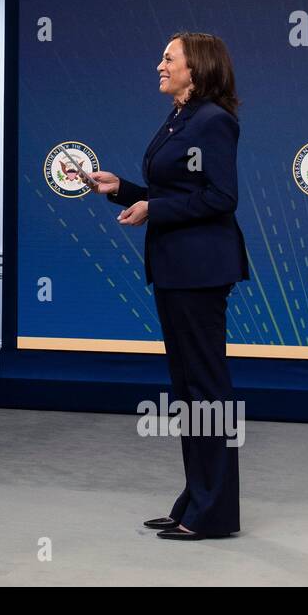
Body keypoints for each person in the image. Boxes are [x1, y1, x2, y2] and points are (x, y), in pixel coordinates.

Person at [88, 31, 249, 542]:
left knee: (207, 391)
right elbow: (175, 190)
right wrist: (124, 191)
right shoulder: (182, 117)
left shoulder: (214, 121)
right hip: (177, 269)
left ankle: (214, 513)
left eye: (168, 58)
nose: (159, 65)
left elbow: (222, 197)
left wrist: (154, 208)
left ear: (195, 69)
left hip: (201, 271)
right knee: (187, 390)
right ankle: (194, 501)